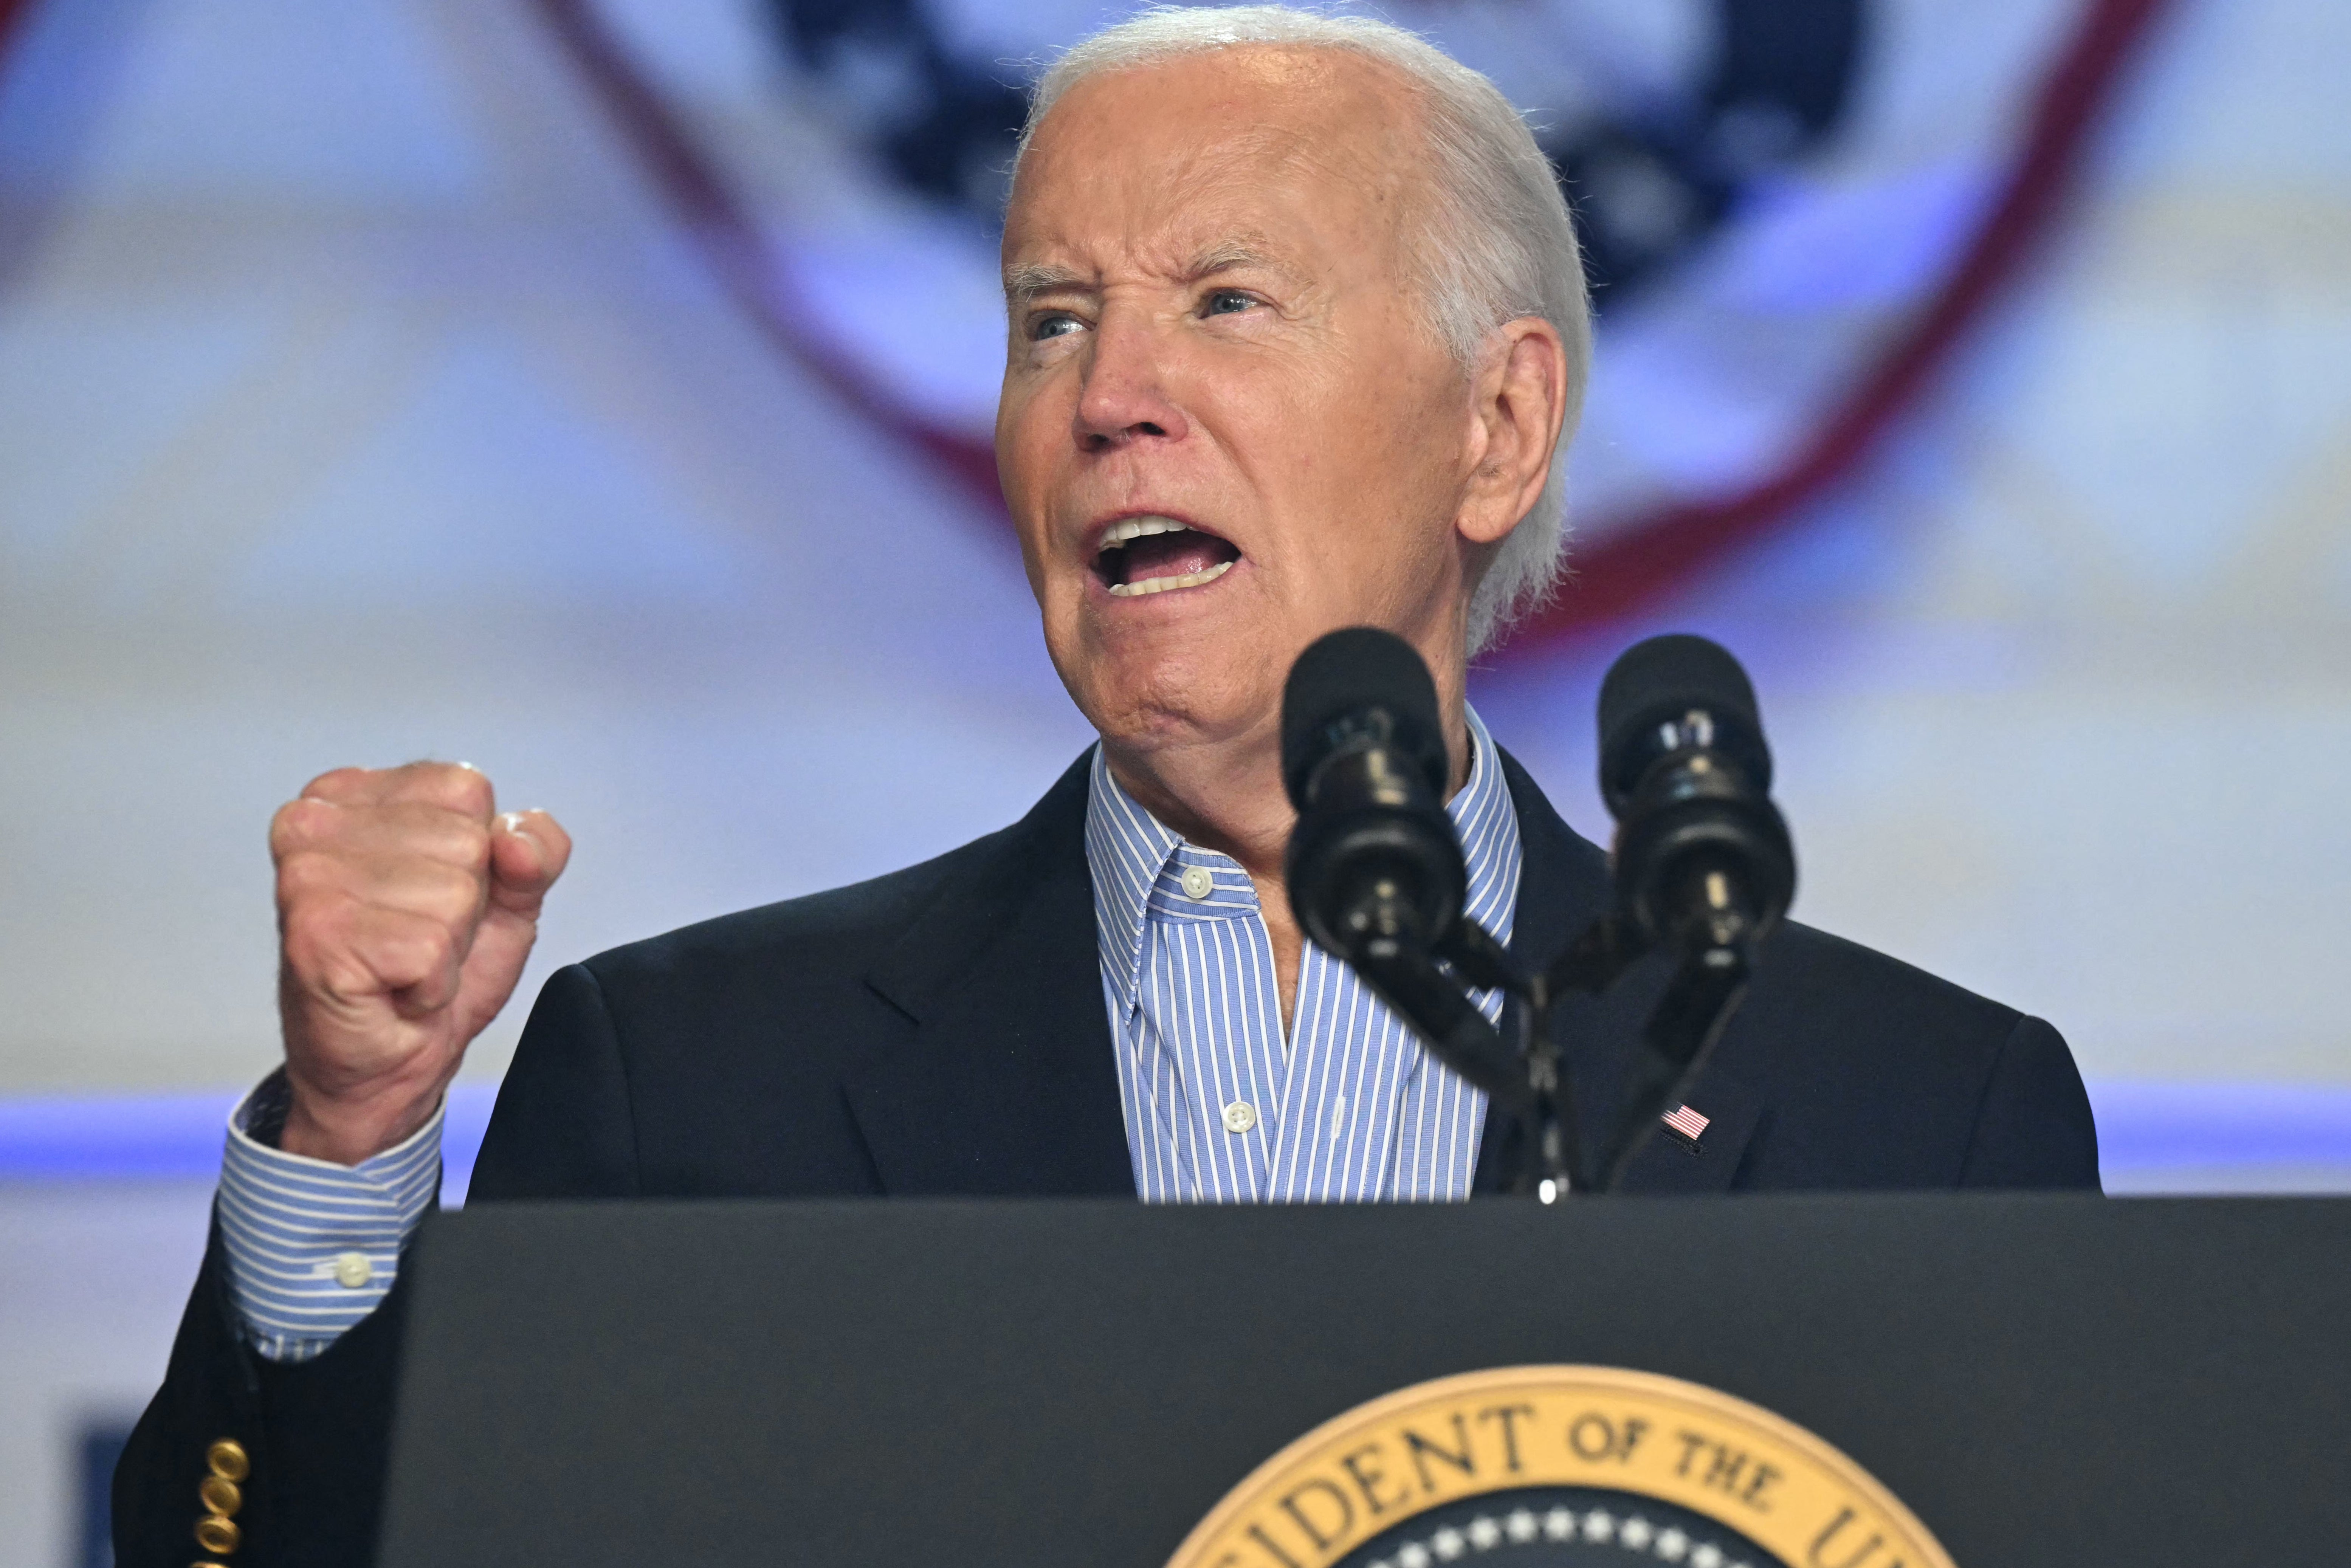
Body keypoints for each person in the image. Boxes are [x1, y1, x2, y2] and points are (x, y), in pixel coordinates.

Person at [114, 8, 2098, 1563]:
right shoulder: (691, 1079)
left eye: (1222, 302)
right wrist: (353, 1141)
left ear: (1498, 429)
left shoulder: (1915, 1112)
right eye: (1052, 320)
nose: (1106, 395)